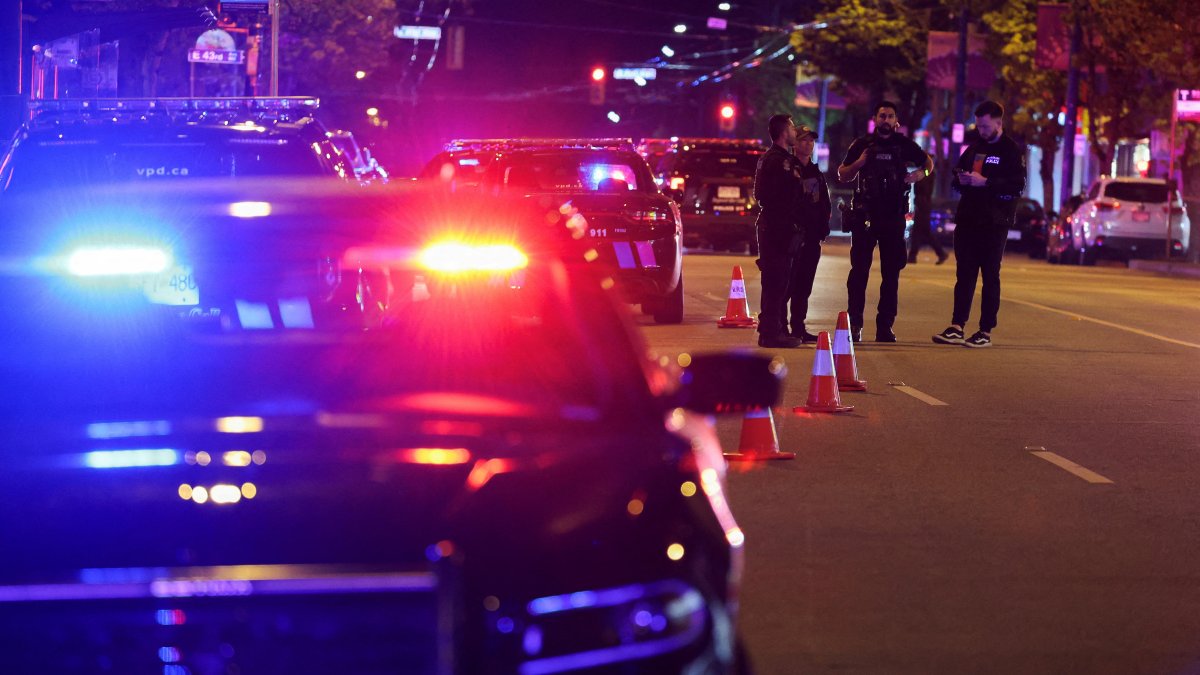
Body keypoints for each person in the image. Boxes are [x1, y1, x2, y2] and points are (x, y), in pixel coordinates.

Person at [932, 100, 1027, 348]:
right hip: (968, 219)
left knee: (990, 275)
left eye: (985, 126)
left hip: (994, 222)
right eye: (979, 125)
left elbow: (1017, 186)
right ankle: (957, 326)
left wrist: (985, 182)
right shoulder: (974, 148)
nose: (981, 130)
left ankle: (985, 330)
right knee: (964, 274)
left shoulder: (1011, 151)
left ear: (998, 123)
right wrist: (962, 179)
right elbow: (957, 177)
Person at [837, 101, 933, 342]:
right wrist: (860, 162)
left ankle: (885, 327)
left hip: (893, 217)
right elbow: (842, 173)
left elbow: (929, 163)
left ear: (896, 121)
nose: (886, 120)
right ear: (875, 119)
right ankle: (855, 324)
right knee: (859, 273)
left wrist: (921, 175)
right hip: (865, 217)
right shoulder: (862, 144)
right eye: (882, 116)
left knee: (891, 275)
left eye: (890, 116)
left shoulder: (904, 145)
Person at [752, 114, 804, 348]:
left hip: (769, 224)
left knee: (772, 279)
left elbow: (760, 193)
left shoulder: (766, 158)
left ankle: (768, 328)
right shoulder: (782, 161)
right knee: (777, 281)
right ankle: (772, 334)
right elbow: (788, 196)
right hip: (778, 226)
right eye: (793, 128)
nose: (795, 133)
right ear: (784, 132)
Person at [787, 124, 831, 343]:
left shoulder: (815, 172)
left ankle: (798, 327)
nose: (808, 144)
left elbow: (824, 203)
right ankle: (779, 326)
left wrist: (822, 227)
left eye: (811, 140)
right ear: (794, 143)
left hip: (812, 239)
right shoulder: (788, 169)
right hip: (793, 238)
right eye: (804, 140)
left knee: (804, 285)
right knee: (787, 284)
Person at [907, 161, 948, 265]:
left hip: (923, 205)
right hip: (922, 204)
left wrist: (918, 177)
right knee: (918, 231)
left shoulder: (927, 173)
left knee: (925, 232)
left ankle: (941, 253)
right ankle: (912, 256)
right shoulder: (924, 173)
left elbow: (924, 189)